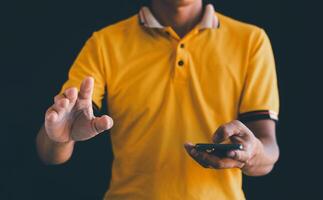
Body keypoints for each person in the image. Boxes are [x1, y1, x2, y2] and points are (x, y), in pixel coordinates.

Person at [36, 0, 280, 199]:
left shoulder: (251, 41)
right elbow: (50, 153)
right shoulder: (104, 43)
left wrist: (252, 152)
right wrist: (60, 136)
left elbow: (268, 151)